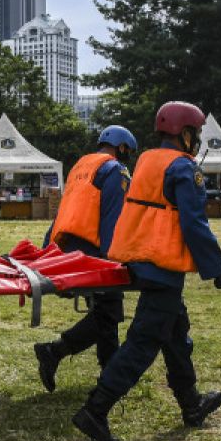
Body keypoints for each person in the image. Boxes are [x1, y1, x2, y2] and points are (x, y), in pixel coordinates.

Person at [70, 101, 221, 441]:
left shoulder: (145, 161)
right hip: (162, 264)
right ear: (185, 133)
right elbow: (193, 221)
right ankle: (95, 410)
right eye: (197, 132)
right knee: (143, 342)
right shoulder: (184, 169)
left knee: (175, 333)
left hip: (140, 259)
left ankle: (191, 404)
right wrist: (216, 268)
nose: (199, 139)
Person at [34, 125, 137, 393]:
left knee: (105, 311)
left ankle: (109, 374)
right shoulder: (115, 170)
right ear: (122, 147)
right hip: (94, 251)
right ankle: (54, 351)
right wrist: (114, 257)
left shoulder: (81, 167)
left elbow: (65, 211)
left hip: (69, 248)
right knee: (109, 313)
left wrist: (49, 248)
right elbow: (113, 216)